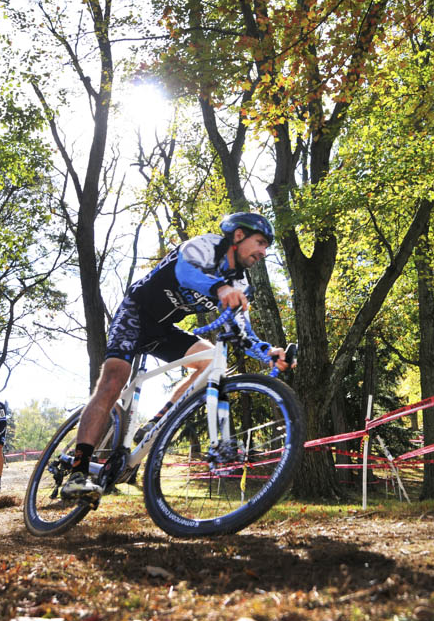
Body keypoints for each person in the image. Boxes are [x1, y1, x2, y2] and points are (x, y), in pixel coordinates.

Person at [61, 212, 292, 500]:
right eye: (259, 242)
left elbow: (241, 331)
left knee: (211, 361)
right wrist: (219, 288)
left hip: (164, 329)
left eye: (267, 246)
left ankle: (156, 423)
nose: (263, 251)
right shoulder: (205, 246)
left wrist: (268, 352)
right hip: (135, 314)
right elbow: (185, 272)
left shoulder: (240, 283)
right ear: (238, 236)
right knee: (114, 381)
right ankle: (78, 472)